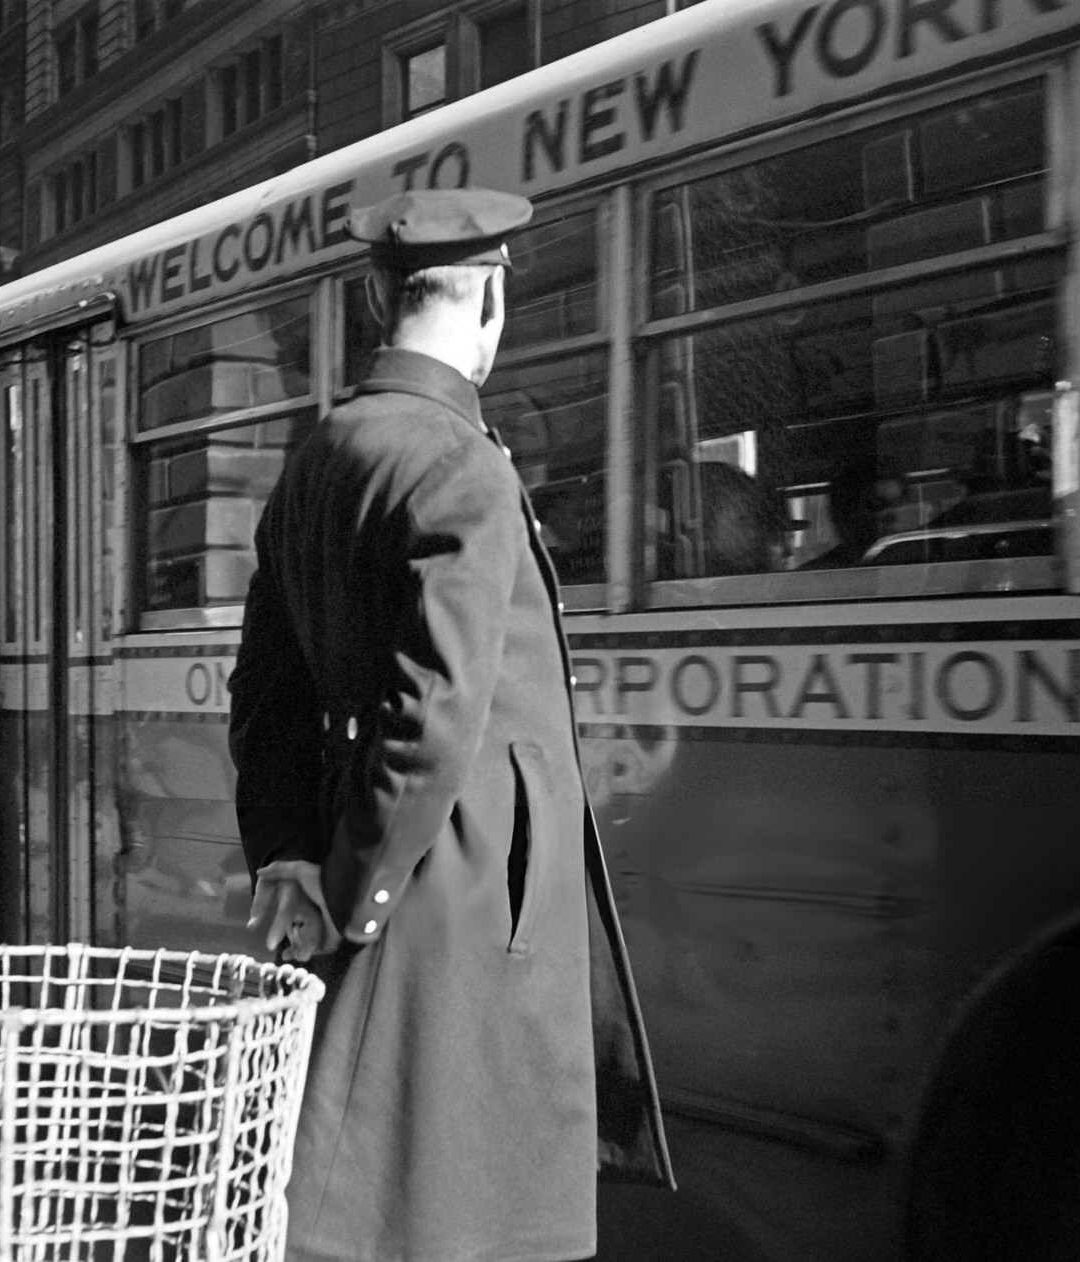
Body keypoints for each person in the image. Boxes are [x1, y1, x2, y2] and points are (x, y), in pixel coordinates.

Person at [227, 188, 673, 1262]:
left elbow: (264, 693)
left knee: (366, 1186)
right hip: (462, 890)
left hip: (382, 856)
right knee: (464, 1203)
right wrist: (355, 894)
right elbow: (433, 714)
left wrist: (292, 854)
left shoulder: (319, 457)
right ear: (492, 298)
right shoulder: (462, 463)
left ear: (381, 295)